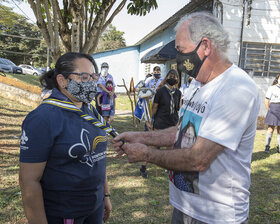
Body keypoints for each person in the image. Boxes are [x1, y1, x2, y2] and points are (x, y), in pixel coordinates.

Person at [113, 11, 260, 224]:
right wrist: (139, 136)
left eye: (181, 51)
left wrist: (147, 154)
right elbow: (179, 131)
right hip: (184, 206)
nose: (179, 59)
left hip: (216, 217)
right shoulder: (195, 83)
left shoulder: (236, 89)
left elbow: (198, 159)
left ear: (206, 46)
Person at [19, 52, 112, 224]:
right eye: (84, 77)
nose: (91, 82)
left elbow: (97, 156)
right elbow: (29, 181)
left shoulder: (89, 110)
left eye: (93, 76)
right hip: (64, 213)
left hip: (94, 207)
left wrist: (105, 195)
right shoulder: (43, 118)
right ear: (62, 81)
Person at [138, 66, 164, 178]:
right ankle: (144, 167)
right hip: (149, 113)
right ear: (153, 72)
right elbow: (140, 91)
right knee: (150, 142)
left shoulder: (163, 81)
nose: (157, 73)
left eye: (158, 71)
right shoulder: (149, 81)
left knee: (157, 143)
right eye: (155, 71)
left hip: (159, 113)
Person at [264, 74, 280, 153]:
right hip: (273, 108)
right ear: (278, 78)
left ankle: (279, 148)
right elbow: (267, 100)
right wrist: (269, 110)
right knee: (270, 129)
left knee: (279, 130)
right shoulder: (272, 88)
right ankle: (267, 147)